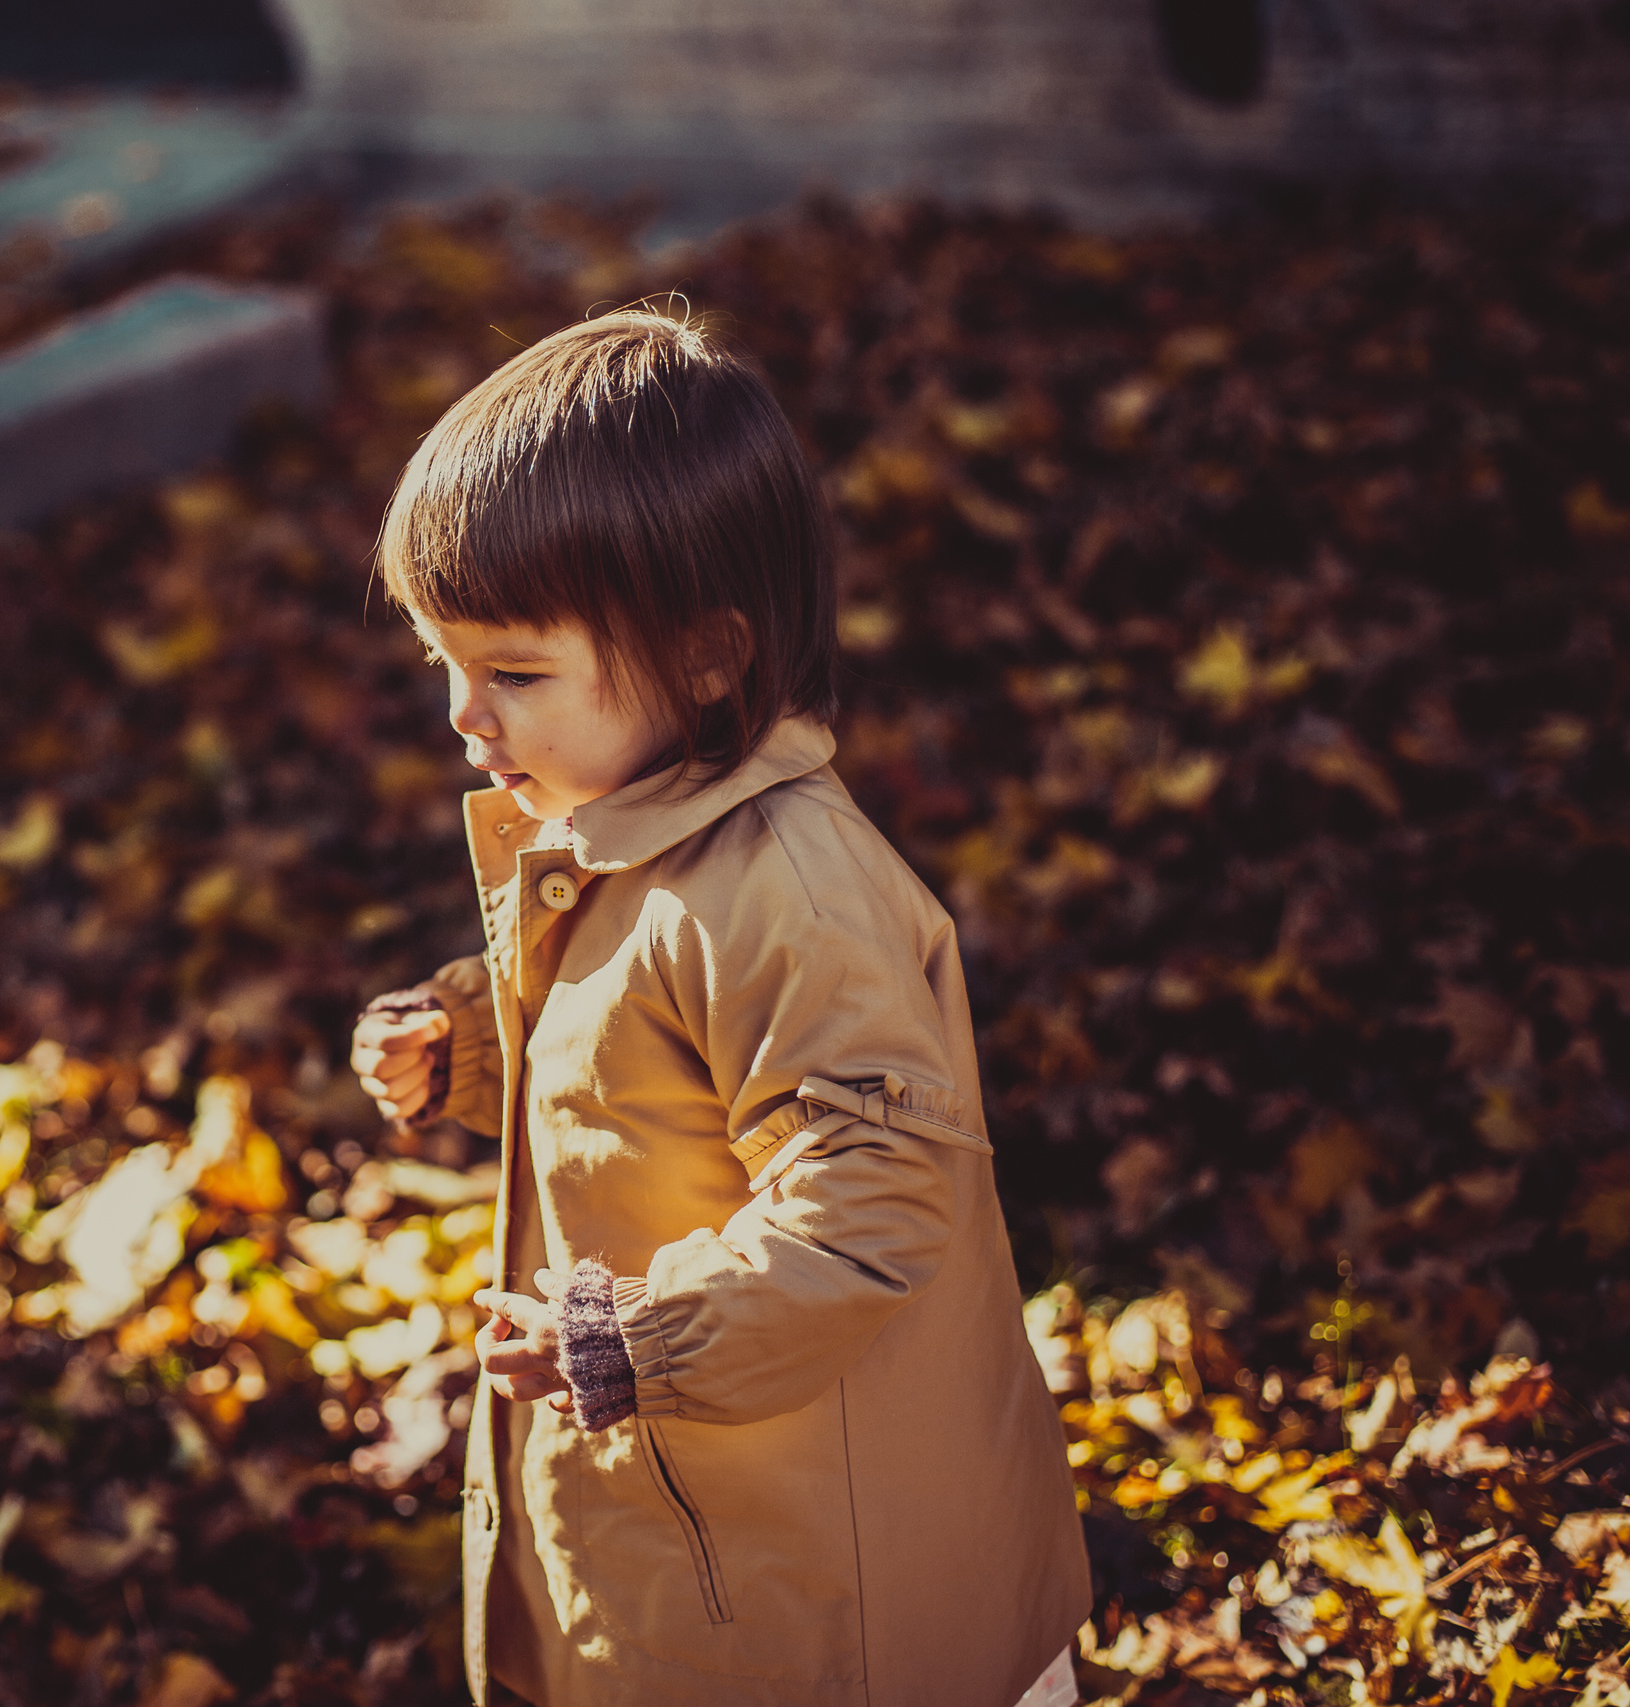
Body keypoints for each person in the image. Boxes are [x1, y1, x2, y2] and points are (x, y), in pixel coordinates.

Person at [347, 306, 1089, 1707]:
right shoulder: (632, 837)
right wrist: (468, 1047)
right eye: (446, 667)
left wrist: (640, 1341)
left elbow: (869, 1200)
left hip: (832, 1589)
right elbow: (629, 1072)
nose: (465, 716)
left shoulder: (788, 894)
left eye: (513, 673)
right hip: (701, 1527)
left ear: (705, 658)